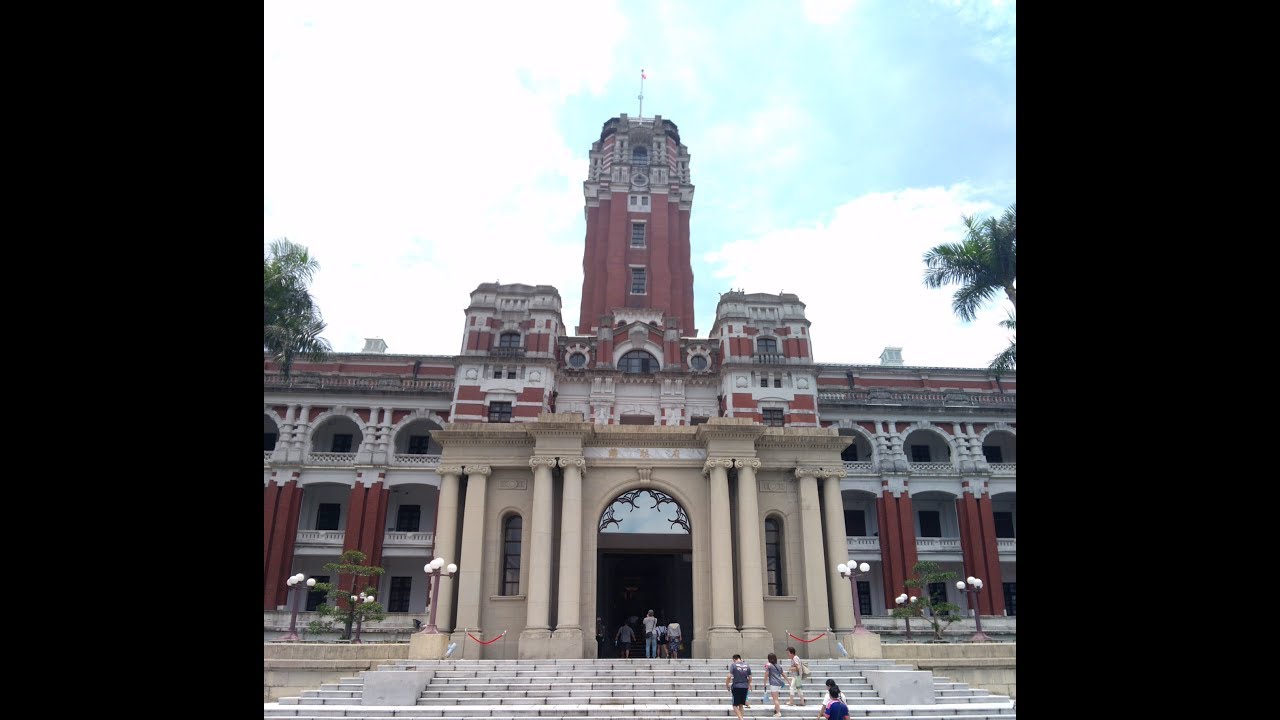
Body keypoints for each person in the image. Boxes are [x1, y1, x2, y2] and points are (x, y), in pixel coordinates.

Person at [724, 653, 753, 720]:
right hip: (745, 687)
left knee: (734, 705)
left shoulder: (733, 665)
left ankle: (741, 718)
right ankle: (741, 718)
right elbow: (750, 678)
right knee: (741, 705)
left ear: (734, 659)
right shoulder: (747, 665)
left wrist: (727, 685)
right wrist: (748, 685)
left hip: (736, 686)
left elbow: (729, 677)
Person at [764, 652, 786, 717]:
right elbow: (783, 674)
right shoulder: (778, 666)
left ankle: (778, 712)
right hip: (779, 683)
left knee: (775, 699)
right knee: (776, 698)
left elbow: (766, 674)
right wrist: (788, 681)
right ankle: (776, 708)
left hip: (773, 683)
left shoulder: (768, 665)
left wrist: (764, 683)